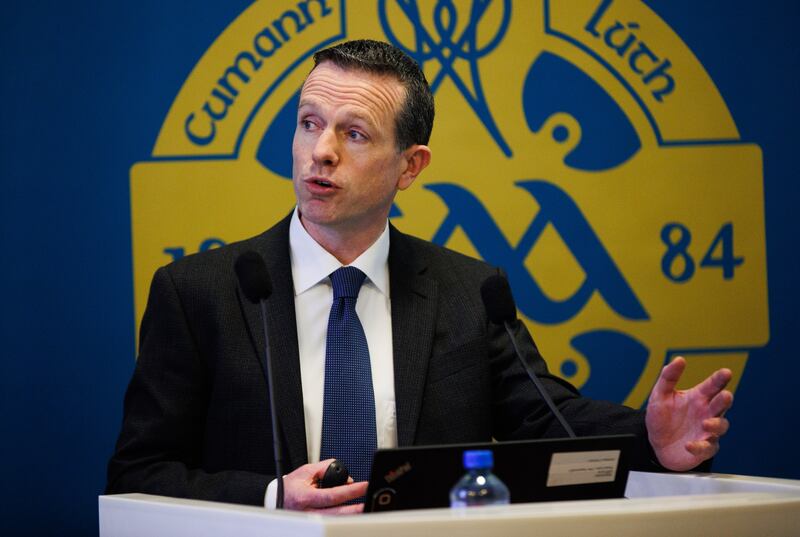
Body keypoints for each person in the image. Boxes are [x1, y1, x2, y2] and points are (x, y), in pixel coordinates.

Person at [106, 40, 733, 514]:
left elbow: (548, 420)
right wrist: (272, 497)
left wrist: (647, 438)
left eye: (354, 134)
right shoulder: (200, 293)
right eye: (308, 122)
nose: (321, 151)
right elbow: (138, 473)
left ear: (411, 166)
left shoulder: (467, 292)